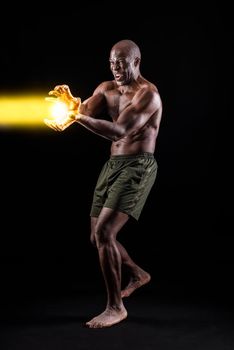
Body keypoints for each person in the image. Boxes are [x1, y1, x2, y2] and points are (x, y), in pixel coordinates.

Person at [44, 39, 163, 328]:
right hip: (113, 166)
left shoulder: (148, 95)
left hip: (138, 166)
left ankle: (115, 307)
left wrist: (77, 117)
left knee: (106, 233)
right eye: (112, 63)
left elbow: (119, 130)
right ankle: (136, 273)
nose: (117, 69)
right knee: (96, 237)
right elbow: (84, 110)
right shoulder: (106, 88)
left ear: (136, 61)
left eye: (122, 64)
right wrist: (71, 107)